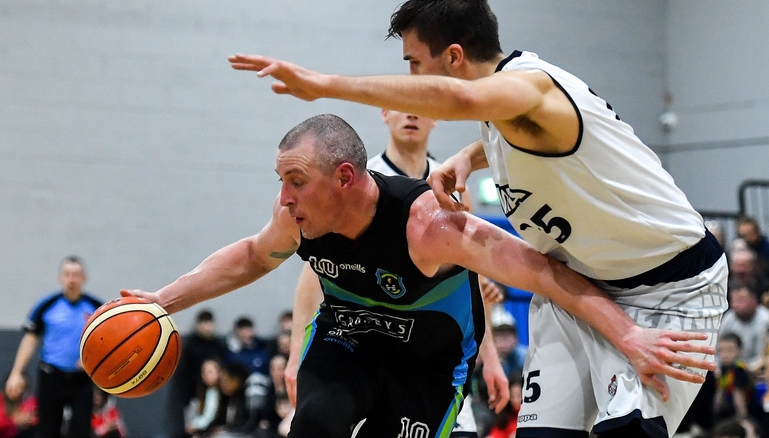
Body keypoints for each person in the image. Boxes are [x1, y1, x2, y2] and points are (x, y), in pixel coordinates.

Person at [227, 0, 730, 435]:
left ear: (453, 57)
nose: (410, 82)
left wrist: (323, 84)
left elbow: (462, 98)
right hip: (580, 288)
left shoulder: (532, 86)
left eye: (414, 64)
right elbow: (503, 125)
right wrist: (468, 155)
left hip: (671, 285)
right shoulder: (505, 113)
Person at [122, 114, 716, 438]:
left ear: (346, 177)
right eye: (282, 181)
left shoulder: (431, 225)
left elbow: (545, 274)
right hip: (347, 343)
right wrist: (163, 301)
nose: (284, 196)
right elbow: (252, 256)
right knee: (315, 429)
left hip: (426, 367)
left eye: (296, 180)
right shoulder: (297, 217)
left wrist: (629, 336)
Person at [284, 109, 502, 438]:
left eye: (421, 106)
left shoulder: (450, 186)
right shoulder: (360, 180)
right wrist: (295, 351)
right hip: (365, 345)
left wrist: (491, 356)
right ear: (385, 114)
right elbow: (315, 271)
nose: (411, 114)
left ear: (436, 117)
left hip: (427, 351)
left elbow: (469, 287)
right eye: (402, 105)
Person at [5, 256, 103, 438]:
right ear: (60, 277)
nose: (71, 279)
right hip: (52, 376)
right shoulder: (47, 305)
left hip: (82, 379)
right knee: (47, 430)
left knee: (81, 431)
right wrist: (16, 372)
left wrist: (94, 361)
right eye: (67, 274)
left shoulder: (96, 307)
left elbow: (108, 342)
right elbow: (30, 339)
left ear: (84, 278)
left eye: (76, 274)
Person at [169, 309, 227, 438]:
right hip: (194, 394)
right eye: (203, 323)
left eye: (209, 323)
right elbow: (183, 372)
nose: (206, 326)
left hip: (214, 392)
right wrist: (186, 396)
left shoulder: (217, 345)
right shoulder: (191, 345)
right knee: (192, 429)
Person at [718, 285, 769, 371]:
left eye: (741, 301)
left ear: (754, 301)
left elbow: (762, 357)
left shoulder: (765, 319)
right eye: (734, 301)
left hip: (755, 371)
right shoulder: (728, 317)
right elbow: (717, 350)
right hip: (728, 370)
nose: (736, 304)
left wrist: (743, 372)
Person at [713, 333, 759, 422]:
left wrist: (743, 421)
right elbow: (720, 392)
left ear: (740, 350)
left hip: (747, 413)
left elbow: (739, 399)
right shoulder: (724, 368)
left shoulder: (740, 370)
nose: (725, 355)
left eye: (730, 350)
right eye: (721, 350)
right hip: (728, 411)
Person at [737, 216, 769, 285]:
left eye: (749, 233)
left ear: (757, 232)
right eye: (742, 235)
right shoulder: (738, 248)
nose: (746, 238)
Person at [185, 359, 222, 438]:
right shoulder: (206, 391)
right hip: (206, 429)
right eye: (203, 372)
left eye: (210, 372)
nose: (205, 375)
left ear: (219, 372)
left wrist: (196, 425)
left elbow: (210, 415)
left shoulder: (223, 393)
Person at [0, 373, 37, 438]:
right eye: (16, 386)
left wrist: (29, 421)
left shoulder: (30, 402)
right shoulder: (1, 399)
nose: (19, 390)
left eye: (22, 387)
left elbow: (37, 420)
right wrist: (14, 422)